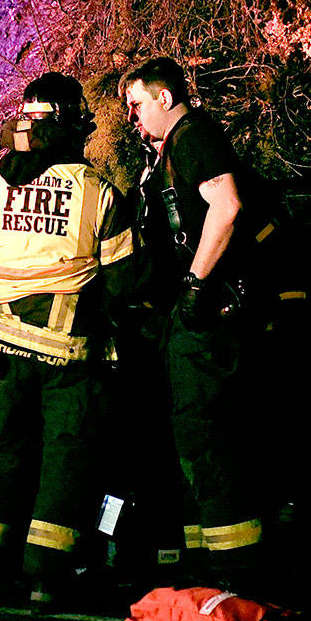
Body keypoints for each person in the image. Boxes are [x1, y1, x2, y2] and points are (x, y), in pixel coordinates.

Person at [0, 73, 135, 608]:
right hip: (69, 354)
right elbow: (125, 281)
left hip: (0, 349)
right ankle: (47, 578)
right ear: (73, 126)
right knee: (64, 460)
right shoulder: (97, 191)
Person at [121, 56, 264, 581]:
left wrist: (195, 286)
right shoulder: (171, 148)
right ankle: (208, 561)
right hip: (190, 314)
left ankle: (236, 567)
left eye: (138, 104)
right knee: (192, 433)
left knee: (206, 433)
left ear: (164, 97)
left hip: (209, 314)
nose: (134, 117)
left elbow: (225, 206)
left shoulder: (193, 136)